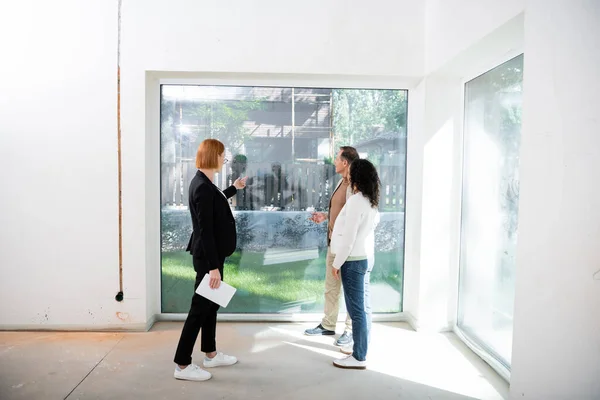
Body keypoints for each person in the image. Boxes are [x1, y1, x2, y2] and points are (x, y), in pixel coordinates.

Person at [173, 139, 247, 382]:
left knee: (210, 306)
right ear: (213, 156)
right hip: (208, 260)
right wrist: (213, 268)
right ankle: (182, 365)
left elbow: (215, 203)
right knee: (198, 310)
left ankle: (211, 354)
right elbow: (205, 230)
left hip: (211, 257)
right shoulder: (203, 186)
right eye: (223, 156)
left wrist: (233, 188)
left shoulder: (204, 182)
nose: (224, 160)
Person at [304, 146, 359, 347]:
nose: (334, 161)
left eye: (337, 158)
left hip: (346, 248)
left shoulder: (355, 186)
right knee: (331, 288)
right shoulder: (341, 181)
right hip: (332, 244)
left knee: (350, 292)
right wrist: (326, 217)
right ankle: (328, 325)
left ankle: (351, 331)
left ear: (345, 162)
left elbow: (354, 218)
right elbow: (341, 212)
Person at [330, 158, 380, 370]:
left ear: (356, 176)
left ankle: (359, 356)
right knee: (364, 308)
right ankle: (361, 348)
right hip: (364, 258)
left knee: (356, 310)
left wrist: (337, 263)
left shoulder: (356, 201)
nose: (348, 175)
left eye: (351, 172)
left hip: (352, 261)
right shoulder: (370, 201)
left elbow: (348, 237)